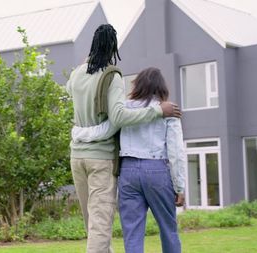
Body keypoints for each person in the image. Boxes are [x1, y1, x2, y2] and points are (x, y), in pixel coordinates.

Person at [65, 24, 181, 253]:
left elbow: (71, 91)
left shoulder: (77, 73)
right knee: (100, 223)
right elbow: (118, 116)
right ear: (113, 49)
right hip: (100, 158)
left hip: (77, 156)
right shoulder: (112, 75)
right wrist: (158, 110)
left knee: (92, 221)